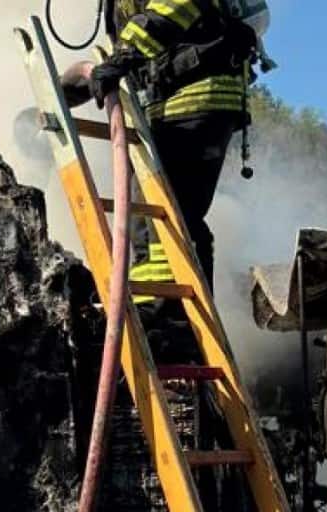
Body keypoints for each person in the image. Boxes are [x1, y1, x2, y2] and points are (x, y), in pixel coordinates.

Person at [84, 0, 266, 305]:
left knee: (162, 209)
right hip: (176, 100)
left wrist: (123, 57)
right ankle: (185, 315)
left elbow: (175, 6)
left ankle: (164, 312)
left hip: (195, 95)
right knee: (178, 213)